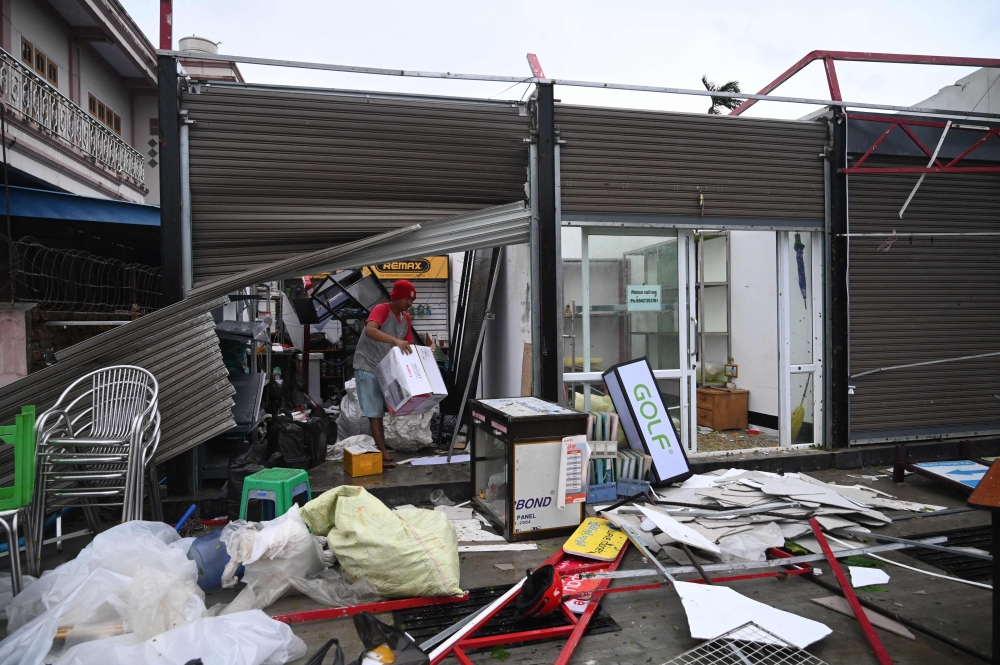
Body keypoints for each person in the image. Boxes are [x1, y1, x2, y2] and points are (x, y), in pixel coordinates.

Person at [352, 279, 417, 469]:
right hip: (368, 365)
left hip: (386, 368)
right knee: (375, 412)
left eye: (411, 300)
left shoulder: (405, 318)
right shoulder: (382, 309)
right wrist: (395, 340)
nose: (409, 303)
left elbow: (409, 345)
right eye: (406, 299)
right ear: (396, 296)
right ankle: (383, 452)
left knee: (390, 408)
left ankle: (382, 446)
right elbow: (370, 330)